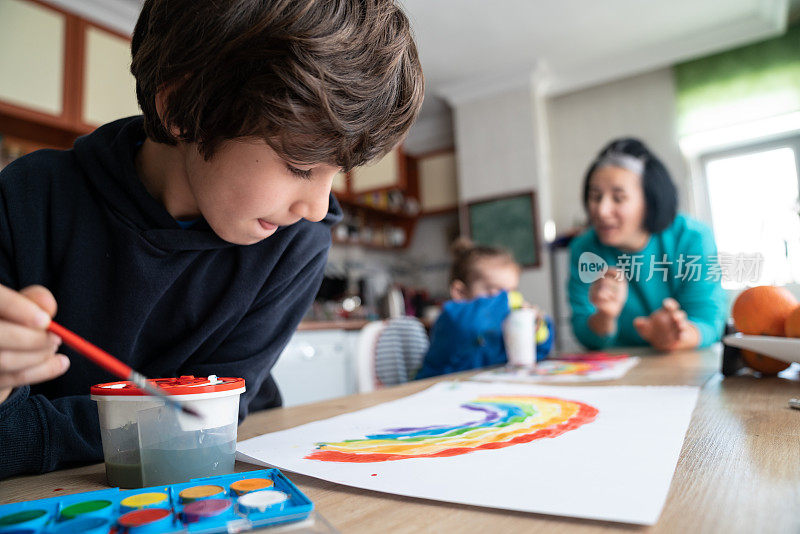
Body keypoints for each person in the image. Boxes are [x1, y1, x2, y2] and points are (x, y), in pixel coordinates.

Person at [0, 0, 424, 478]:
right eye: (301, 167)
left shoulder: (297, 243)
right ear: (183, 107)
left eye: (336, 174)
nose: (319, 208)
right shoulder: (25, 200)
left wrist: (30, 431)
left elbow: (209, 423)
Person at [568, 138, 727, 351]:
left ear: (650, 202)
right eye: (595, 196)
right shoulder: (584, 249)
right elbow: (582, 329)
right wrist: (603, 318)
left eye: (618, 198)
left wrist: (676, 335)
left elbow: (709, 322)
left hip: (682, 364)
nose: (601, 210)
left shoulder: (692, 238)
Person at [416, 239, 554, 379]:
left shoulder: (500, 328)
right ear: (460, 292)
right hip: (435, 390)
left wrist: (536, 329)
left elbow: (535, 355)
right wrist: (506, 302)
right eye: (494, 293)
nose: (509, 300)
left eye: (512, 291)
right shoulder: (452, 319)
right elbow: (472, 323)